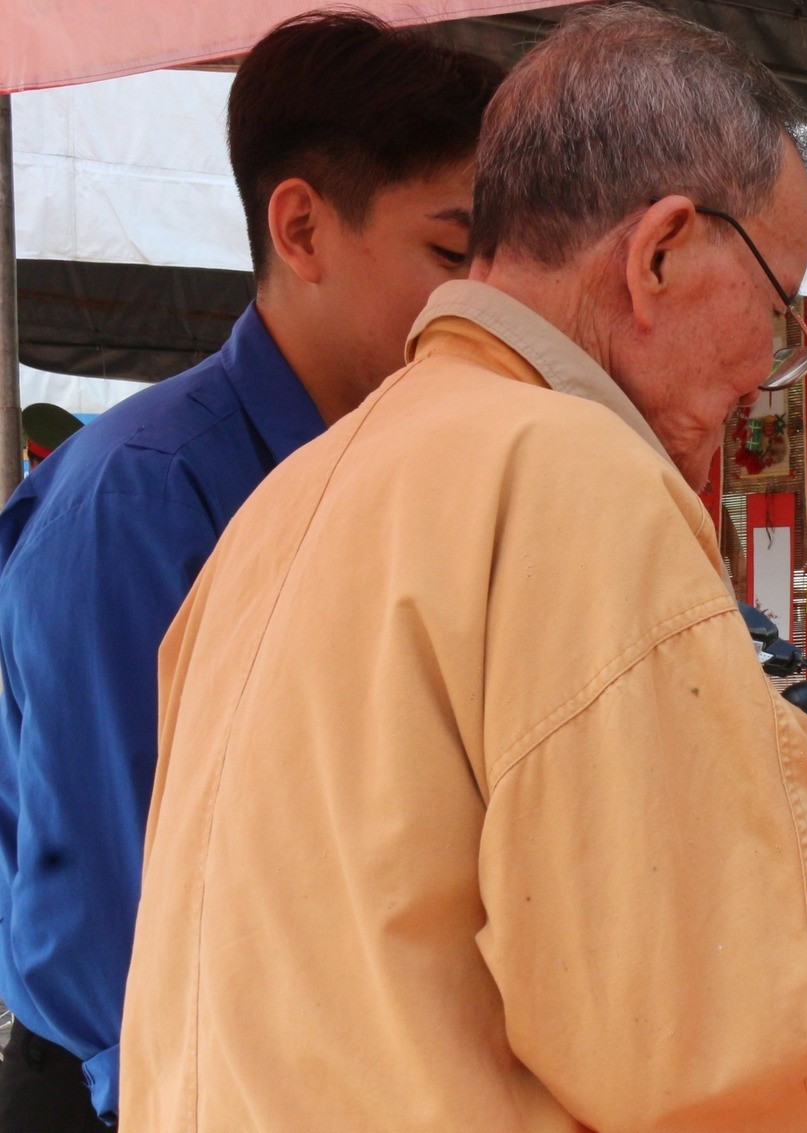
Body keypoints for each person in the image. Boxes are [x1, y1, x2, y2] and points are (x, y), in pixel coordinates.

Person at [119, 9, 807, 1131]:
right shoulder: (577, 476)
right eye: (778, 315)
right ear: (660, 251)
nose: (769, 373)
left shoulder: (291, 495)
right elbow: (691, 1049)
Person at [0, 16, 501, 1129]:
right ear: (302, 228)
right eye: (450, 255)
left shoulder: (406, 471)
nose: (486, 303)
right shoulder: (140, 497)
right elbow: (113, 900)